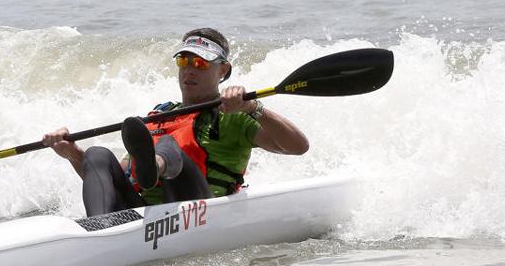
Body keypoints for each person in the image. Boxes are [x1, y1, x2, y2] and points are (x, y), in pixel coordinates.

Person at [42, 28, 310, 217]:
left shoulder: (235, 115)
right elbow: (118, 179)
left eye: (200, 63)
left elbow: (298, 146)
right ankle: (99, 228)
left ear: (223, 70)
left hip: (199, 210)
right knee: (96, 155)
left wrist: (254, 107)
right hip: (145, 213)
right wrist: (72, 154)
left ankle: (158, 165)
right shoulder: (160, 115)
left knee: (169, 145)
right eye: (184, 60)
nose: (190, 69)